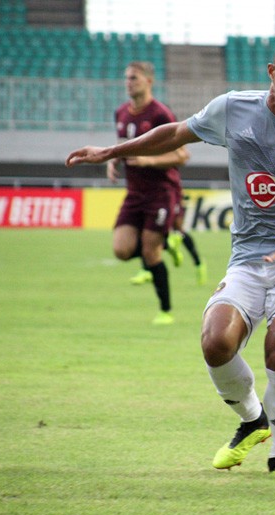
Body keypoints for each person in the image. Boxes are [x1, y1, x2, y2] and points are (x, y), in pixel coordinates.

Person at [67, 23, 275, 477]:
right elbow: (175, 133)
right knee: (215, 341)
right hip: (249, 256)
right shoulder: (234, 109)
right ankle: (253, 420)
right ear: (272, 70)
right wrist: (112, 152)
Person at [106, 60, 189, 324]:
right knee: (121, 249)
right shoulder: (121, 113)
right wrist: (112, 160)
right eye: (127, 78)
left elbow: (182, 154)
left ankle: (165, 311)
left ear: (149, 81)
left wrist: (148, 161)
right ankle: (167, 241)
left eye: (134, 78)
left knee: (150, 252)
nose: (129, 83)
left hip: (160, 192)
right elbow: (122, 145)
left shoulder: (161, 114)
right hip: (134, 193)